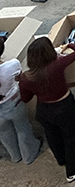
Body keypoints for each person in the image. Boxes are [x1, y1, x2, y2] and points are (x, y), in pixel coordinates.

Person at [18, 38, 75, 182]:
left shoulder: (26, 77)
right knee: (72, 137)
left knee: (53, 136)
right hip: (64, 106)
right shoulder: (57, 65)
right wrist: (67, 45)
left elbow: (26, 99)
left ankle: (61, 158)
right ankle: (74, 170)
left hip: (43, 110)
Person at [0, 38, 42, 166]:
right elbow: (20, 77)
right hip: (13, 103)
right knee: (22, 128)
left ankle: (15, 156)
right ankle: (29, 155)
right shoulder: (12, 65)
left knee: (4, 132)